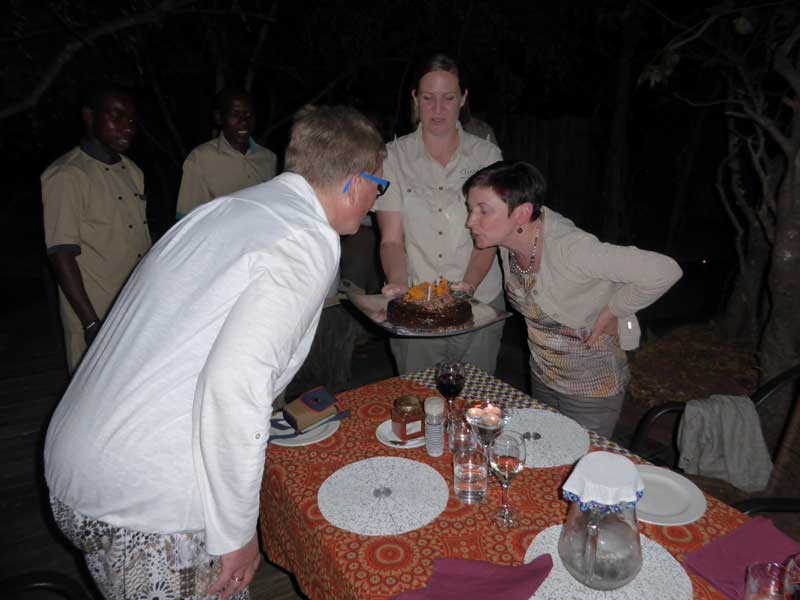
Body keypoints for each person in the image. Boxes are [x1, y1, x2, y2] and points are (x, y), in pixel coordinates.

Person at [44, 105, 386, 600]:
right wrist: (237, 531)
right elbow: (236, 387)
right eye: (379, 186)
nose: (376, 202)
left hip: (78, 463)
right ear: (355, 182)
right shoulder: (308, 236)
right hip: (143, 500)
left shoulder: (231, 209)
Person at [463, 161, 682, 438]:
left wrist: (614, 310)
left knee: (581, 462)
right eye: (471, 209)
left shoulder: (572, 250)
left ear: (522, 213)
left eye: (483, 211)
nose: (470, 221)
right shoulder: (509, 241)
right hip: (543, 376)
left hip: (591, 390)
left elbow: (665, 271)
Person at [376, 54, 505, 375]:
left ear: (462, 98)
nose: (437, 109)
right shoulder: (392, 157)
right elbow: (391, 240)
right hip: (417, 305)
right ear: (415, 99)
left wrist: (466, 289)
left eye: (448, 98)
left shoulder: (487, 155)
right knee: (419, 396)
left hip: (479, 304)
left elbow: (489, 239)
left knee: (476, 397)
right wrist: (398, 286)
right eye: (428, 98)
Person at [41, 86, 151, 372]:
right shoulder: (67, 175)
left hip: (137, 307)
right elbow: (61, 254)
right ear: (90, 117)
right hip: (97, 314)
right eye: (117, 116)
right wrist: (90, 323)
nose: (128, 125)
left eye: (131, 119)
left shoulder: (133, 171)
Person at [176, 88, 277, 219]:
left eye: (249, 114)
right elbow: (187, 219)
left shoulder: (269, 158)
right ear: (219, 118)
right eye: (235, 114)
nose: (244, 121)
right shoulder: (199, 159)